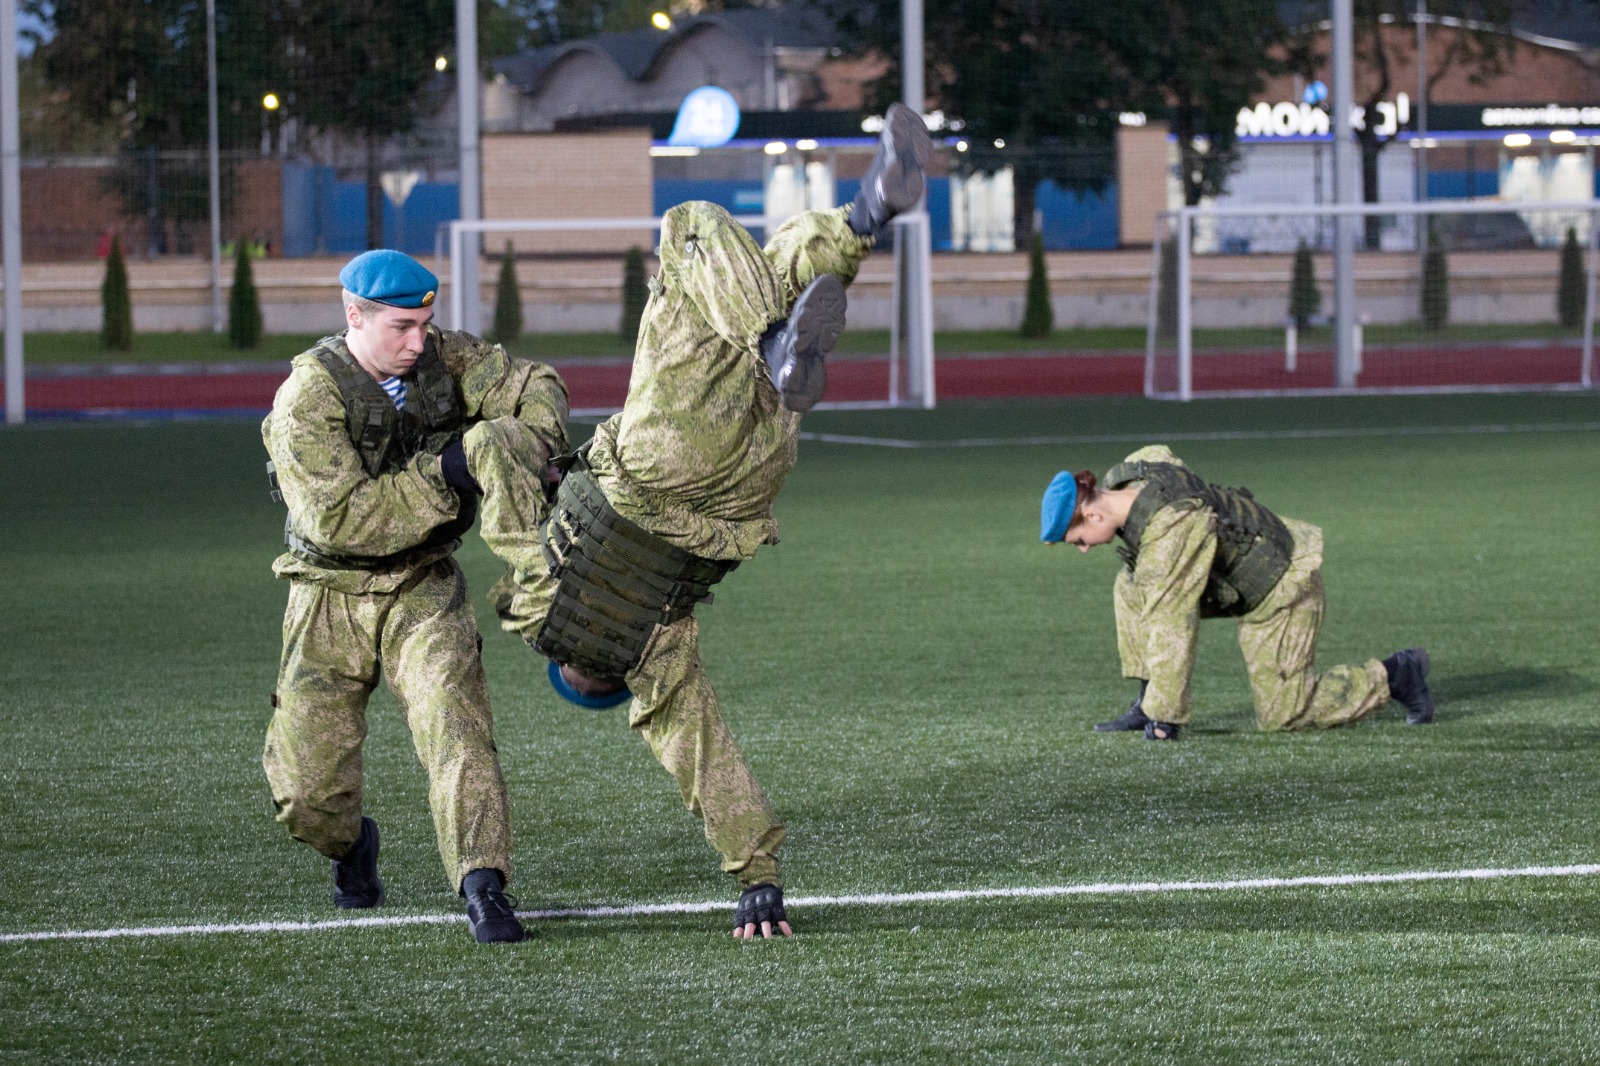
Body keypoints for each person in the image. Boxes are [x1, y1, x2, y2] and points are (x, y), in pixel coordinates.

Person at [461, 103, 933, 940]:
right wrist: (493, 457)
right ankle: (826, 268)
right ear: (564, 672)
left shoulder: (656, 651)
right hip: (656, 459)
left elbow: (706, 761)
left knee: (768, 266)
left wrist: (758, 878)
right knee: (690, 229)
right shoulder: (534, 601)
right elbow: (499, 461)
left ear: (597, 688)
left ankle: (839, 251)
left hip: (751, 481)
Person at [261, 249, 570, 944]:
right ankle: (350, 846)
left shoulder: (444, 358)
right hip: (329, 593)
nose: (418, 341)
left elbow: (535, 385)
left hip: (422, 584)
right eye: (401, 326)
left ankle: (483, 886)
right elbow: (343, 518)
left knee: (456, 729)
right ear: (353, 316)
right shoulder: (307, 400)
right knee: (307, 797)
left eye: (426, 323)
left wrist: (518, 447)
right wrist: (451, 471)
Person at [1040, 444, 1435, 739]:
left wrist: (1167, 718)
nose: (1085, 548)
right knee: (1130, 584)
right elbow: (1168, 459)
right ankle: (1147, 701)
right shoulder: (1130, 474)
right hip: (1240, 570)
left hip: (1281, 589)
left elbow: (1173, 621)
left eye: (1078, 538)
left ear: (1092, 514)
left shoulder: (1170, 532)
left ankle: (1397, 675)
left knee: (1283, 713)